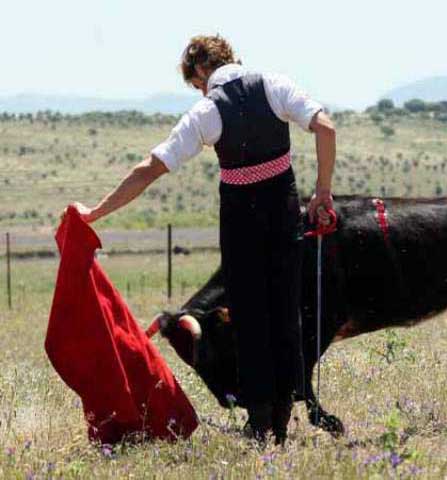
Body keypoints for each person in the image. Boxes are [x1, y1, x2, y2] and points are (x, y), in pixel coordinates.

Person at [63, 34, 336, 445]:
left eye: (195, 85)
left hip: (241, 223)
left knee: (250, 317)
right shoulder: (275, 85)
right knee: (285, 312)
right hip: (284, 215)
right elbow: (325, 126)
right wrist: (323, 192)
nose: (199, 90)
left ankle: (260, 422)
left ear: (200, 74)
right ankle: (283, 416)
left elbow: (150, 168)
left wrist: (96, 212)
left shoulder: (207, 111)